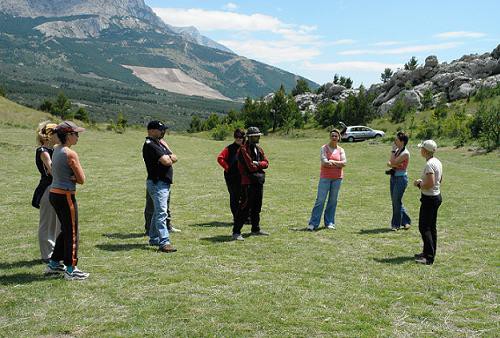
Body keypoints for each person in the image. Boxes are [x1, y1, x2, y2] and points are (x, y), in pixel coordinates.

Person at [44, 121, 89, 280]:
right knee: (72, 232)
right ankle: (71, 269)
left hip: (54, 194)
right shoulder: (70, 154)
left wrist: (72, 177)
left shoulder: (56, 149)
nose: (77, 137)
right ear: (68, 135)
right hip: (66, 196)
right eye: (76, 134)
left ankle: (54, 263)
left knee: (66, 229)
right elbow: (82, 179)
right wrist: (74, 178)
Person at [142, 120, 177, 252]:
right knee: (161, 213)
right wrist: (168, 157)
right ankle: (164, 242)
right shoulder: (150, 144)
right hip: (158, 183)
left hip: (162, 183)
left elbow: (174, 157)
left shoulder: (159, 143)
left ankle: (154, 238)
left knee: (158, 212)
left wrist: (168, 155)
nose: (163, 132)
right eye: (160, 130)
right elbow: (167, 161)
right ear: (151, 130)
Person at [232, 126, 269, 241]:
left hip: (258, 182)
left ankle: (255, 229)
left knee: (257, 206)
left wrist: (258, 163)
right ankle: (236, 232)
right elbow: (250, 167)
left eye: (258, 136)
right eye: (255, 136)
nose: (258, 138)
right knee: (244, 207)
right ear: (250, 137)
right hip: (248, 183)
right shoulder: (243, 150)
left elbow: (266, 163)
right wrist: (259, 165)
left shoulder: (259, 149)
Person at [32, 122, 60, 263]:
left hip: (55, 187)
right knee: (47, 223)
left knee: (56, 223)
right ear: (48, 135)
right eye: (56, 132)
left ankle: (54, 253)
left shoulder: (55, 150)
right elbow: (52, 170)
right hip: (47, 188)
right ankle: (46, 255)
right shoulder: (43, 151)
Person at [307, 129, 346, 231]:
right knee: (320, 200)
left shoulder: (341, 150)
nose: (334, 137)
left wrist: (332, 161)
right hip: (325, 177)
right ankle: (313, 223)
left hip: (337, 178)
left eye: (336, 136)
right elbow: (324, 162)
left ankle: (329, 222)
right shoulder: (324, 148)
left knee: (333, 201)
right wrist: (337, 163)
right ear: (330, 137)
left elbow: (344, 163)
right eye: (332, 136)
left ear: (339, 138)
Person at [413, 140, 443, 265]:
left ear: (425, 151)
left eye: (421, 148)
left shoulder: (429, 164)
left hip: (429, 199)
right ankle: (428, 252)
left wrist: (419, 184)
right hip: (435, 197)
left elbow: (430, 183)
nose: (420, 150)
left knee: (424, 227)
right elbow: (439, 179)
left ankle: (429, 257)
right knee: (431, 227)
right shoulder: (437, 161)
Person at [217, 128, 245, 223]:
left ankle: (246, 217)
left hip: (244, 176)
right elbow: (220, 158)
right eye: (236, 137)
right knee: (234, 196)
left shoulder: (246, 147)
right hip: (232, 177)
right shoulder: (229, 148)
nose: (238, 139)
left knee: (245, 196)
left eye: (240, 137)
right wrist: (228, 168)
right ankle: (236, 217)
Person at [386, 131, 411, 231]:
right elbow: (391, 163)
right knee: (395, 201)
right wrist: (393, 164)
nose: (394, 141)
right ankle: (406, 221)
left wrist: (392, 153)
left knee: (396, 201)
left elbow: (391, 162)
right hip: (394, 177)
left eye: (396, 139)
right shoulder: (398, 150)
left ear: (402, 141)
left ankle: (395, 225)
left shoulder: (405, 153)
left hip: (401, 179)